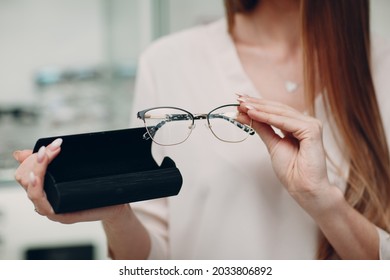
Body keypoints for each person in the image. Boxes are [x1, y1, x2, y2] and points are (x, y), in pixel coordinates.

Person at [13, 0, 390, 259]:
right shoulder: (169, 61)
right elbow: (151, 265)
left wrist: (322, 202)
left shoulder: (382, 66)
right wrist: (117, 213)